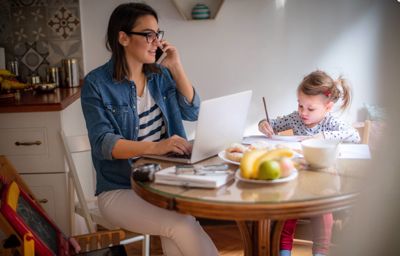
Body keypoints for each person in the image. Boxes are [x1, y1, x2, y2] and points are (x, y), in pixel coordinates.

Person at [80, 3, 218, 256]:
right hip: (120, 188)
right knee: (181, 223)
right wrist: (157, 146)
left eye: (158, 34)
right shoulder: (96, 84)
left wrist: (176, 67)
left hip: (166, 180)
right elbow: (104, 144)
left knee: (179, 224)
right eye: (148, 35)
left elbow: (193, 112)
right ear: (123, 37)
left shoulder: (160, 76)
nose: (156, 42)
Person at [258, 70, 360, 256]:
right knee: (286, 216)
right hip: (295, 181)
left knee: (322, 215)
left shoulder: (330, 122)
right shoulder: (296, 118)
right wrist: (263, 123)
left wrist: (323, 136)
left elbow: (355, 136)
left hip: (324, 183)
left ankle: (320, 252)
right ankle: (283, 252)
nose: (303, 112)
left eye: (310, 109)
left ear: (328, 107)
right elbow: (272, 123)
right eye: (300, 105)